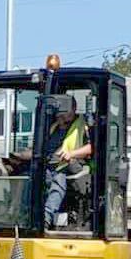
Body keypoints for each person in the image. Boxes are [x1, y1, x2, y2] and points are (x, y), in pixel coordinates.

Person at [44, 96, 91, 228]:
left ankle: (46, 218)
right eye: (60, 114)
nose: (62, 117)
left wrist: (71, 154)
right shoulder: (54, 126)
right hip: (50, 165)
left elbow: (92, 148)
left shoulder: (83, 124)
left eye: (66, 114)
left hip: (72, 165)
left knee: (58, 181)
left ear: (74, 109)